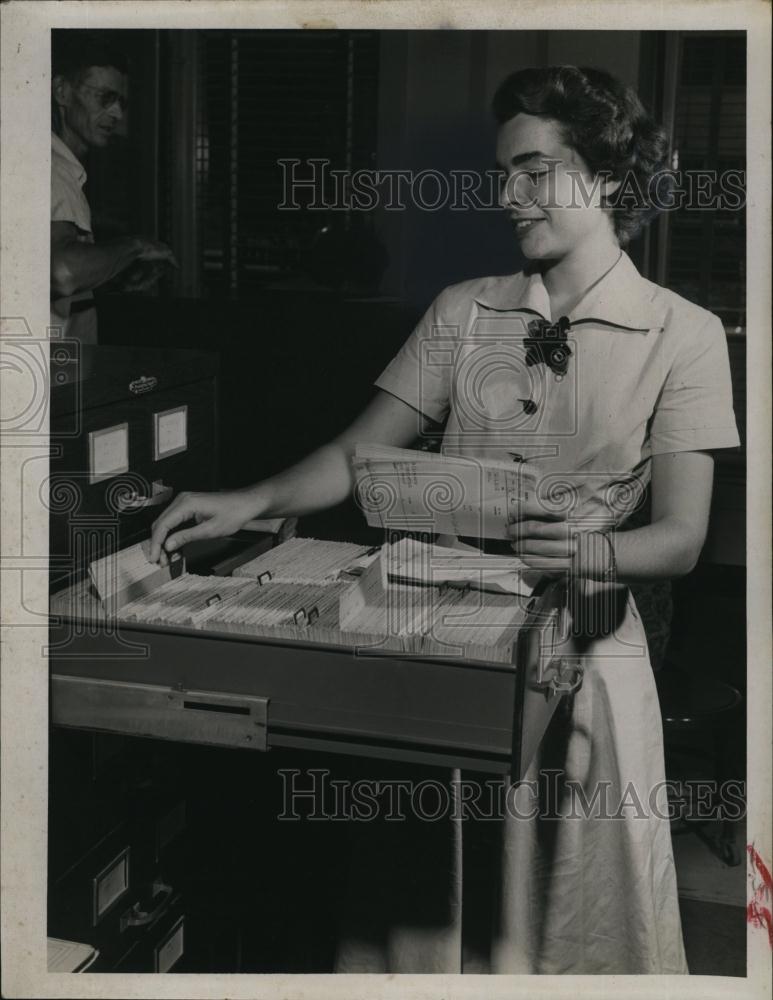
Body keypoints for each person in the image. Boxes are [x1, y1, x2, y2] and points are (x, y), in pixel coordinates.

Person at [149, 66, 740, 974]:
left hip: (585, 657)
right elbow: (357, 455)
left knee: (567, 917)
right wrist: (247, 500)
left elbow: (682, 538)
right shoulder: (462, 311)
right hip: (443, 644)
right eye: (503, 172)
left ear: (608, 177)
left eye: (533, 170)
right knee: (428, 911)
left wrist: (591, 546)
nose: (506, 195)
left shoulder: (683, 333)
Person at [51, 31, 177, 345]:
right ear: (62, 91)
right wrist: (135, 246)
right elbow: (62, 271)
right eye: (104, 97)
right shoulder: (53, 169)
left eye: (121, 101)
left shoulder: (62, 168)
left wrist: (115, 269)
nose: (117, 114)